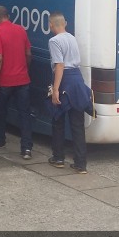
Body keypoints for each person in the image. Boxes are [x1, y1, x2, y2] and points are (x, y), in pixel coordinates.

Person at [47, 11, 92, 174]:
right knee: (77, 124)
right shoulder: (72, 38)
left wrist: (56, 89)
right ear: (64, 24)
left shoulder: (54, 41)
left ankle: (58, 158)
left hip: (64, 80)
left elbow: (59, 65)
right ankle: (81, 164)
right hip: (78, 81)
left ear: (51, 25)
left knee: (58, 120)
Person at [0, 5, 34, 159]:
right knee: (24, 114)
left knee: (0, 112)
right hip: (23, 80)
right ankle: (26, 148)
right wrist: (24, 69)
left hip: (5, 81)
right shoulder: (21, 29)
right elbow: (28, 53)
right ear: (8, 15)